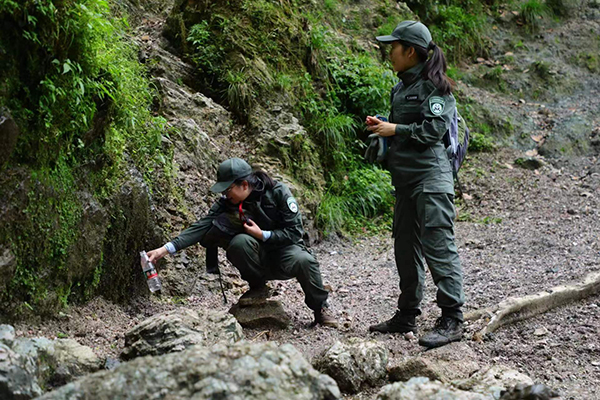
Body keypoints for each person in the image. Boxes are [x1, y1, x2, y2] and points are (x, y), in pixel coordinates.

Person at [365, 21, 465, 348]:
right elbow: (405, 127)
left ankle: (452, 319)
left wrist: (395, 130)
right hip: (405, 181)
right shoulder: (400, 86)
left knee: (437, 245)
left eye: (393, 47)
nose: (389, 52)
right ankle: (407, 313)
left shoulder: (436, 87)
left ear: (409, 51)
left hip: (431, 179)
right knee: (405, 246)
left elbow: (431, 132)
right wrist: (384, 129)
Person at [146, 157, 338, 327]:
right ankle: (257, 286)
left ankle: (320, 308)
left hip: (285, 252)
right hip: (256, 254)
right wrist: (165, 249)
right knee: (240, 242)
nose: (224, 195)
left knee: (305, 260)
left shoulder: (278, 192)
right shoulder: (226, 202)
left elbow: (294, 232)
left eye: (228, 189)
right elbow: (202, 226)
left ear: (244, 185)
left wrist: (263, 234)